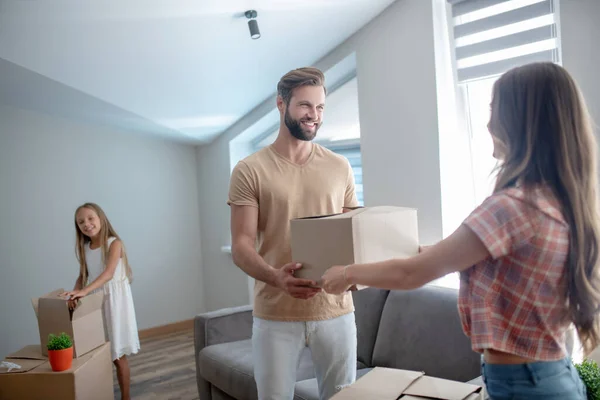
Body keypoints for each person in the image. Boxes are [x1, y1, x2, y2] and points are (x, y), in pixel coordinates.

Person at [321, 62, 596, 399]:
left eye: (494, 108)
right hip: (545, 377)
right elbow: (452, 256)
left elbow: (413, 274)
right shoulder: (554, 201)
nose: (487, 121)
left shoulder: (510, 207)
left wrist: (346, 273)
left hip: (526, 385)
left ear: (520, 119)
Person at [228, 67, 359, 400]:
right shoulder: (250, 169)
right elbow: (242, 245)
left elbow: (353, 234)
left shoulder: (339, 166)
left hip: (336, 311)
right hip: (276, 314)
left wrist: (360, 270)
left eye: (320, 107)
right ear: (281, 105)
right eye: (305, 106)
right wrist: (276, 277)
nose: (313, 116)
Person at [63, 203, 141, 400]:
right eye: (81, 222)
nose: (86, 224)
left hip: (115, 303)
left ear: (101, 218)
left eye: (90, 218)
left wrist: (84, 291)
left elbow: (108, 274)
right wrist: (75, 292)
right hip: (96, 303)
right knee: (99, 354)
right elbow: (83, 274)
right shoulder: (85, 248)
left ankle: (126, 397)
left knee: (117, 355)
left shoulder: (115, 243)